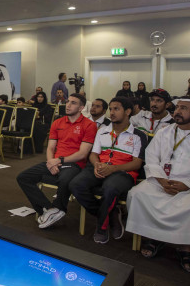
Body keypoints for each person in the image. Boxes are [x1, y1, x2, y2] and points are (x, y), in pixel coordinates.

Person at [69, 97, 147, 244]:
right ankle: (111, 215)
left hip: (123, 172)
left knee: (110, 188)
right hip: (100, 166)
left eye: (116, 109)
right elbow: (93, 154)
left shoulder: (138, 135)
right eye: (110, 109)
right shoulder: (102, 131)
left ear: (128, 111)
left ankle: (101, 228)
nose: (111, 112)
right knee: (75, 184)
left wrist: (113, 168)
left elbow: (136, 163)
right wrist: (97, 164)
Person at [126, 96, 190, 272]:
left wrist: (186, 184)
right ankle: (153, 237)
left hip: (187, 185)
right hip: (161, 179)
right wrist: (162, 181)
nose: (177, 111)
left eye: (184, 108)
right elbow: (151, 158)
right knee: (137, 194)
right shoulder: (164, 132)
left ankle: (185, 246)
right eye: (177, 108)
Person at [16, 93, 96, 229]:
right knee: (23, 177)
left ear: (81, 107)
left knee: (64, 180)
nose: (68, 105)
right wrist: (50, 162)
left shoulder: (89, 125)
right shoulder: (57, 122)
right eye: (68, 101)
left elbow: (82, 154)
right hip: (55, 161)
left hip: (74, 163)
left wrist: (58, 160)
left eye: (73, 103)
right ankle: (49, 209)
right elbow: (50, 147)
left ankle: (58, 208)